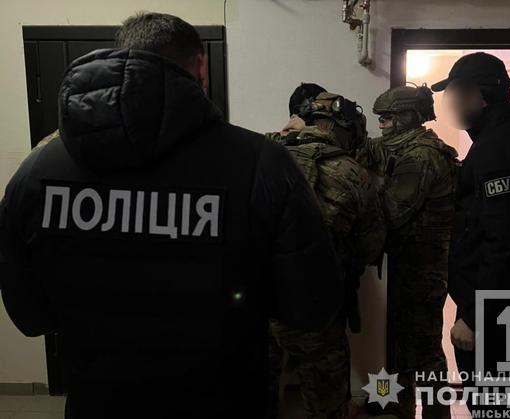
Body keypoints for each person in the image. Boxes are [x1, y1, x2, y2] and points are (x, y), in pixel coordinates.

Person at [0, 13, 343, 419]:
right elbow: (310, 307)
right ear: (201, 67)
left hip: (99, 402)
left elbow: (29, 315)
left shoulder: (39, 169)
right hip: (224, 401)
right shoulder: (262, 163)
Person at [433, 52, 510, 416]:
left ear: (477, 94)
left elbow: (506, 242)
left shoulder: (500, 147)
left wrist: (474, 318)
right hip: (496, 306)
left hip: (491, 311)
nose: (452, 104)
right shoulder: (499, 139)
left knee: (497, 405)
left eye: (455, 94)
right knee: (505, 400)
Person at [267, 91, 386, 419]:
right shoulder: (352, 172)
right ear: (344, 128)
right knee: (327, 403)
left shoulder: (265, 155)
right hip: (318, 308)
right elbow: (371, 246)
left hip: (260, 302)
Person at [357, 84, 458, 419]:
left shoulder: (420, 156)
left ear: (408, 117)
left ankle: (436, 413)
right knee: (401, 343)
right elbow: (371, 148)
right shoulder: (406, 147)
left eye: (387, 118)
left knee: (425, 351)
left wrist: (370, 190)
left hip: (423, 269)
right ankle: (398, 405)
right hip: (409, 264)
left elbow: (393, 212)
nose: (382, 124)